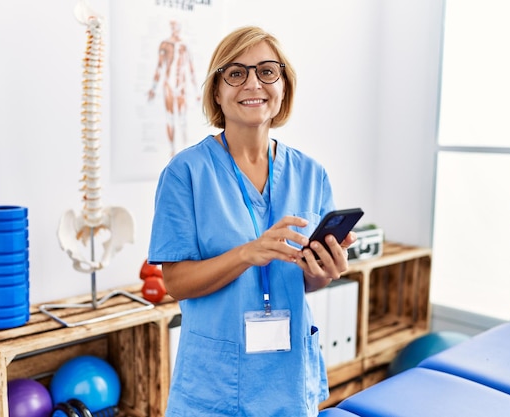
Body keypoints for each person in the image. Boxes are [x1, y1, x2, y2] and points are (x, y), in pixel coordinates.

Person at [148, 26, 357, 417]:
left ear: (283, 87)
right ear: (217, 91)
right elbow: (176, 283)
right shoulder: (185, 173)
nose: (252, 84)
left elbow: (304, 281)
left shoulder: (312, 174)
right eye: (236, 73)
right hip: (213, 381)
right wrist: (247, 253)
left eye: (266, 71)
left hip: (288, 377)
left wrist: (325, 270)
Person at [148, 20, 200, 156]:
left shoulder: (184, 46)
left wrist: (196, 91)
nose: (175, 29)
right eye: (173, 26)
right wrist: (153, 88)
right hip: (169, 85)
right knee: (170, 118)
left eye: (177, 26)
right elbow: (159, 67)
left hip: (182, 85)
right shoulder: (165, 44)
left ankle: (185, 149)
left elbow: (191, 68)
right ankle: (172, 149)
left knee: (183, 119)